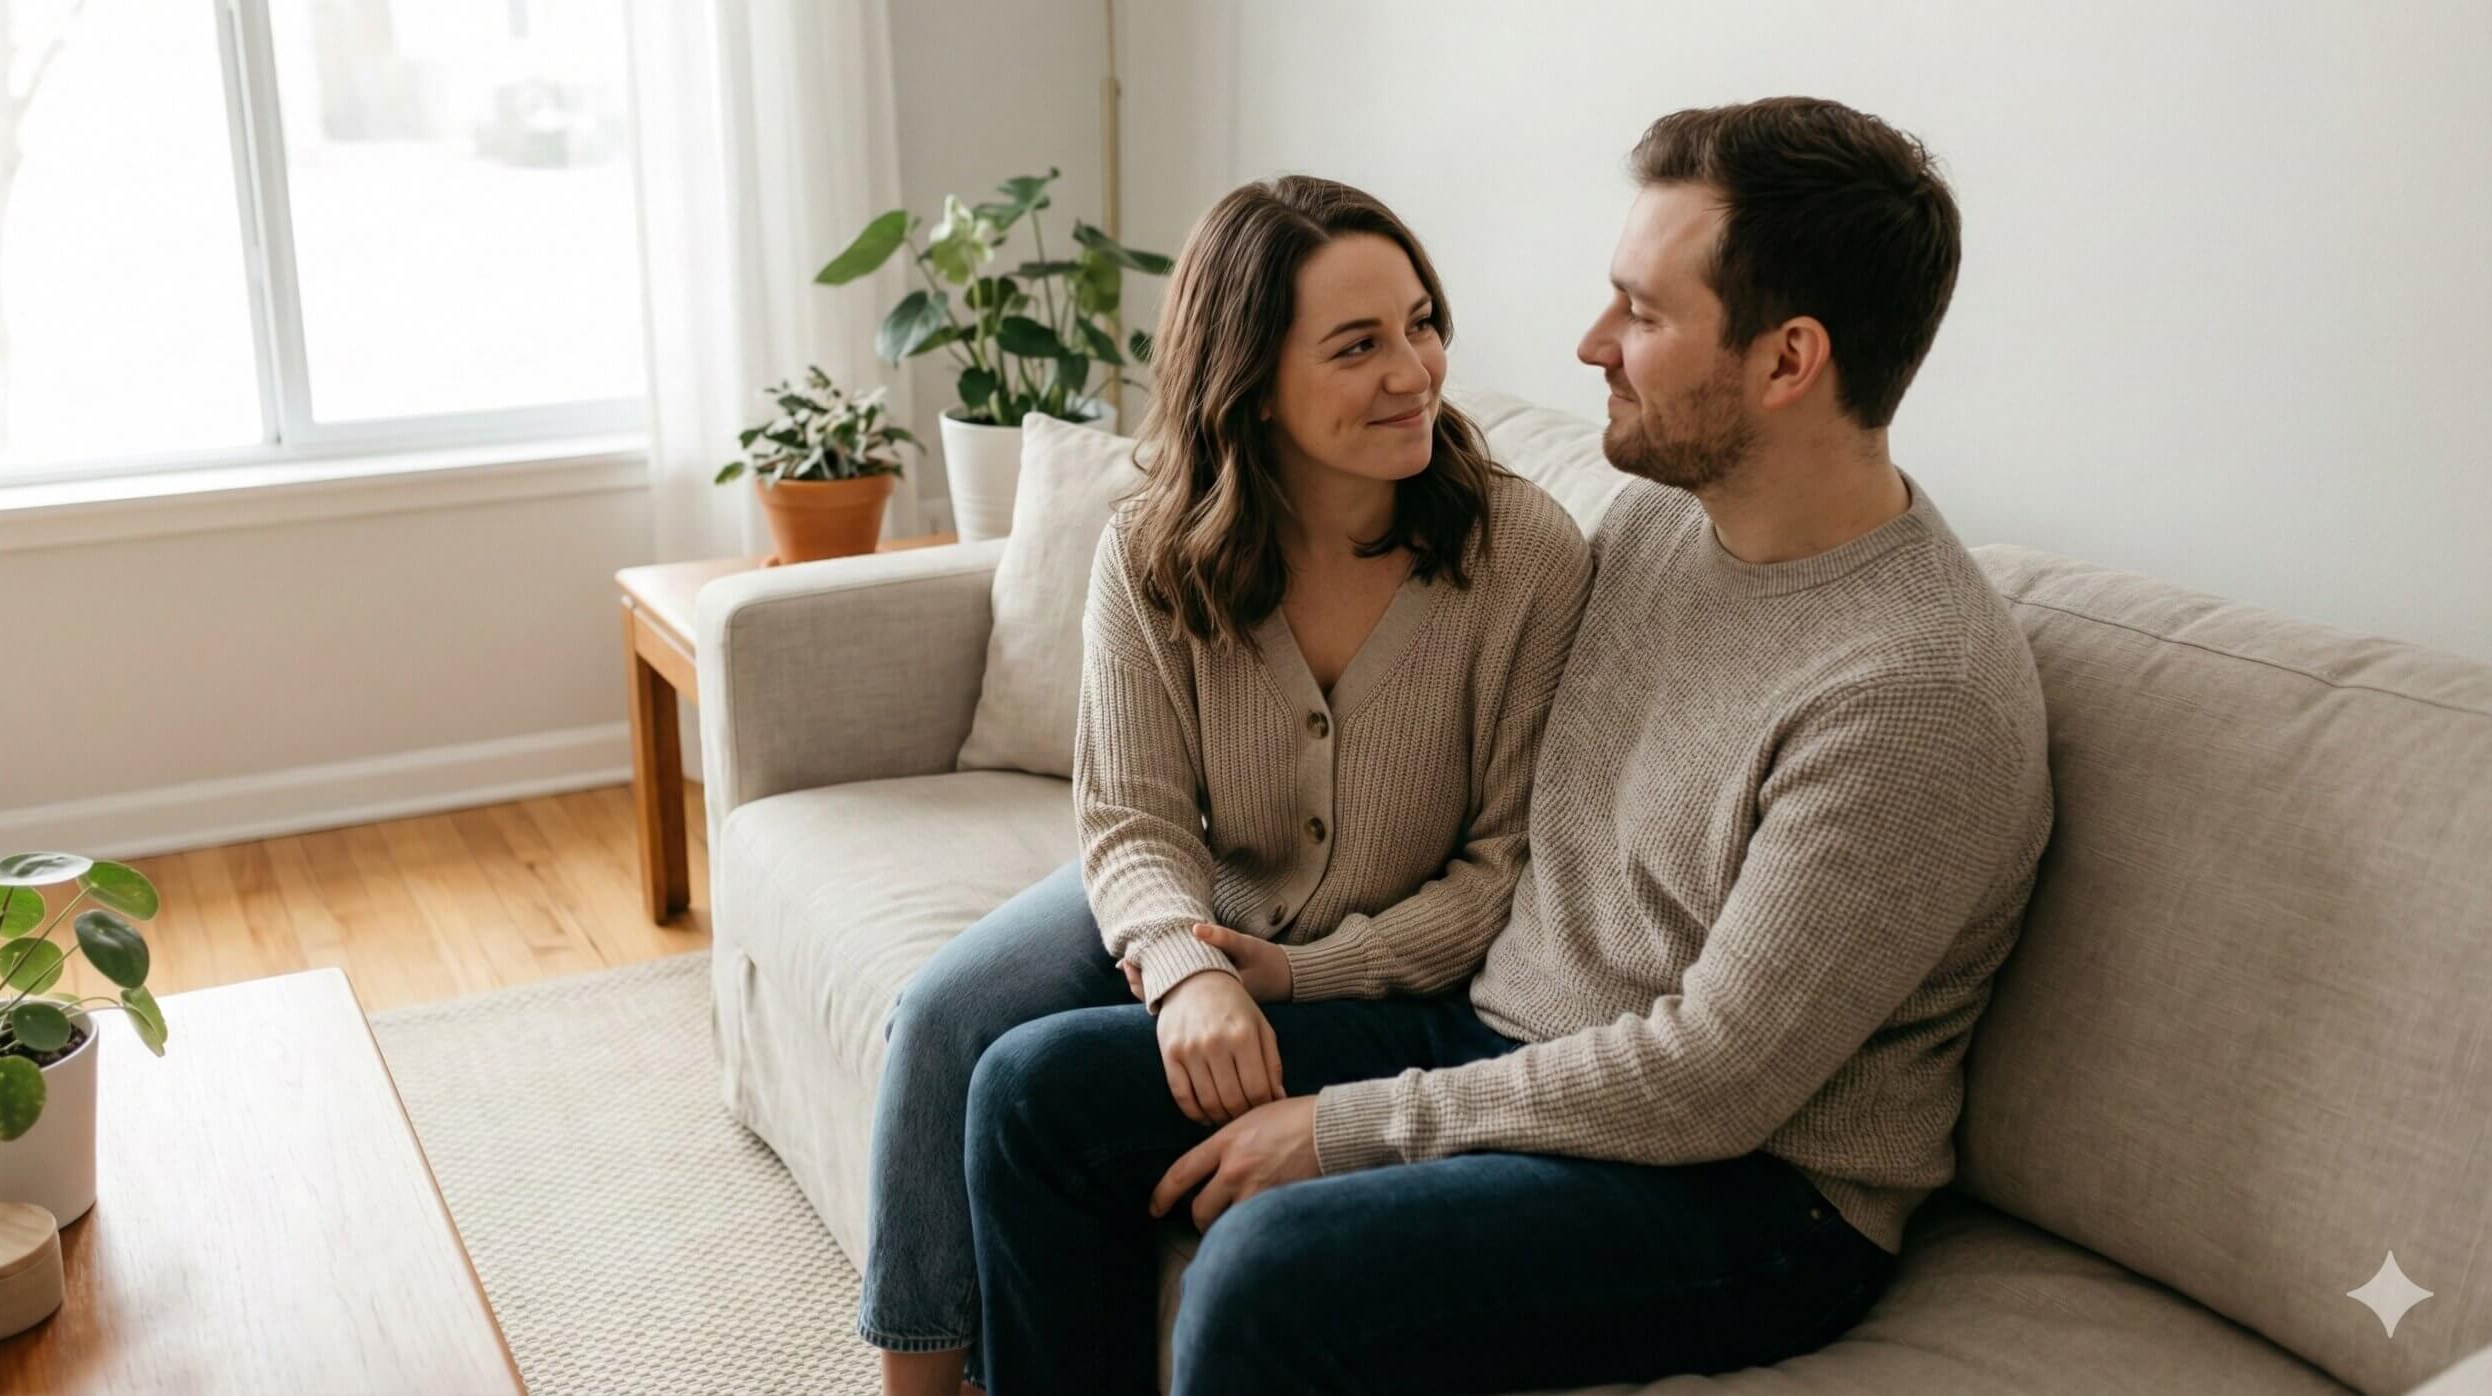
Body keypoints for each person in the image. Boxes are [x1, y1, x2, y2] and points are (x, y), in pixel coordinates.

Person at [961, 96, 2057, 1395]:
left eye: (1642, 313)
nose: (1591, 343)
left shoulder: (1913, 692)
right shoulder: (1657, 529)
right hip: (1512, 1039)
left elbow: (1713, 1081)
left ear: (1787, 361)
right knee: (1033, 1096)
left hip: (1754, 1193)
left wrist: (1346, 1128)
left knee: (1269, 1273)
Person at [860, 174, 1594, 1396]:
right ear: (1249, 381)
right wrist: (1186, 963)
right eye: (1358, 345)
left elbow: (1502, 871)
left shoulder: (1523, 557)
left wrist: (1303, 975)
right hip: (1210, 898)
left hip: (1393, 961)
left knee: (1039, 1090)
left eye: (1423, 324)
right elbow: (1133, 816)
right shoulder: (1153, 550)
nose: (1413, 371)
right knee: (946, 1016)